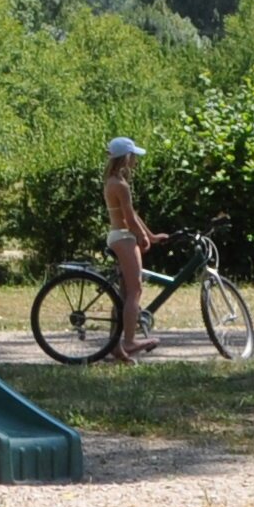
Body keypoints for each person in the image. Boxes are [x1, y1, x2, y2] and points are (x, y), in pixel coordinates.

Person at [101, 137, 158, 359]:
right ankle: (130, 340)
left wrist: (150, 235)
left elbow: (132, 214)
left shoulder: (112, 181)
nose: (136, 160)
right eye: (133, 156)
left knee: (123, 295)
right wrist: (142, 237)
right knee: (136, 290)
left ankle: (115, 345)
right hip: (124, 237)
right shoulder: (121, 185)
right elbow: (129, 219)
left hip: (118, 236)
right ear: (126, 157)